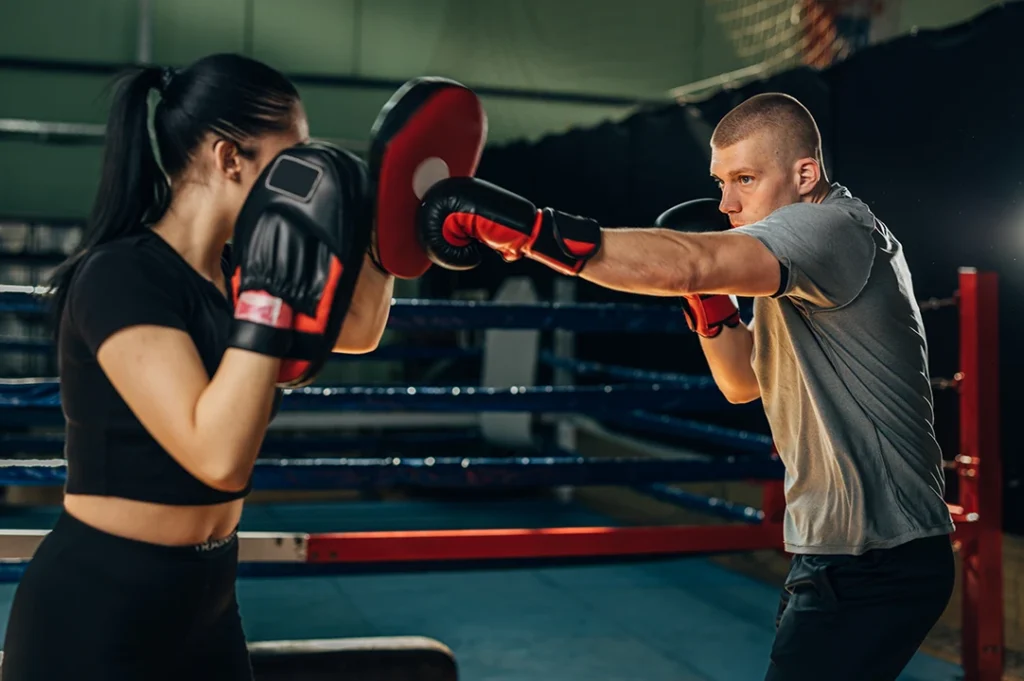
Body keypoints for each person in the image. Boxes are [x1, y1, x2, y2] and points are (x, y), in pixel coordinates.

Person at [416, 92, 956, 681]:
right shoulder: (796, 261)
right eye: (720, 181)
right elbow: (743, 382)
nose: (727, 202)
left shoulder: (827, 229)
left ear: (805, 174)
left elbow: (691, 260)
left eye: (745, 178)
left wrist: (533, 232)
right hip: (839, 550)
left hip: (878, 554)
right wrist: (705, 302)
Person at [1, 54, 393, 681]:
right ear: (228, 157)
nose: (306, 178)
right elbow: (215, 456)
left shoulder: (234, 276)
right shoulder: (122, 276)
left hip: (206, 602)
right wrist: (267, 294)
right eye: (289, 158)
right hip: (99, 610)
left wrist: (385, 220)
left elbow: (360, 330)